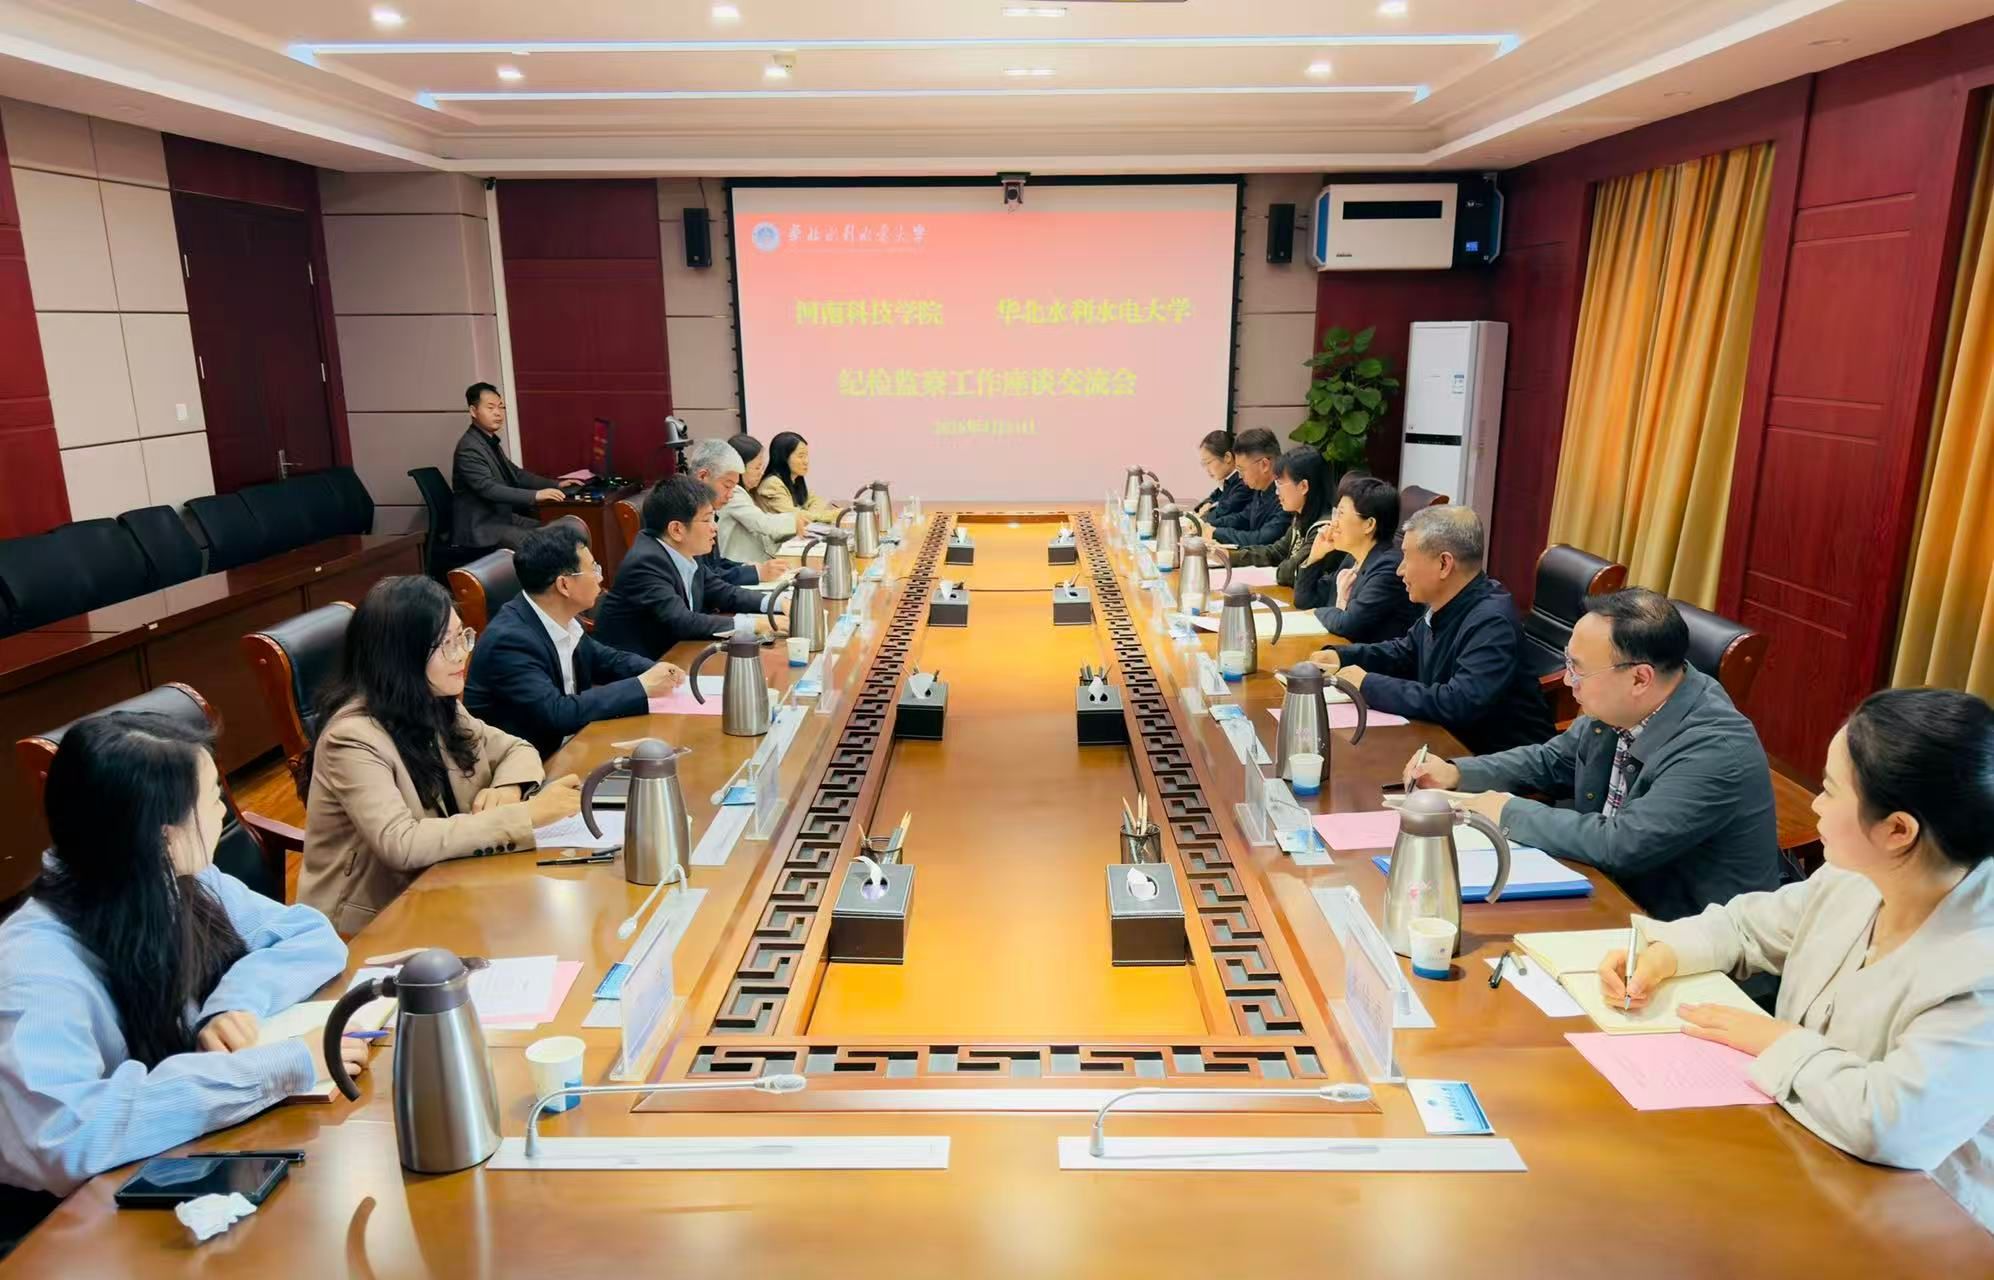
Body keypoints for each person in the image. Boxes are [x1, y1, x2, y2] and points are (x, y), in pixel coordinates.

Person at [1600, 688, 1994, 1232]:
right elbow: (1745, 927)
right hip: (1799, 1155)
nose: (1814, 805)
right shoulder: (1859, 875)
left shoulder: (1978, 966)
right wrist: (1664, 955)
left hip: (1918, 1224)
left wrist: (1778, 1041)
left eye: (1829, 790)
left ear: (1898, 831)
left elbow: (1894, 1124)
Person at [0, 713, 360, 1228]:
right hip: (70, 1228)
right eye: (213, 796)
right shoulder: (36, 968)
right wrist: (276, 1066)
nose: (224, 810)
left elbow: (309, 935)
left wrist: (232, 1005)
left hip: (179, 1168)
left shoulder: (175, 879)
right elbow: (65, 1136)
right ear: (163, 837)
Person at [1409, 589, 1780, 920]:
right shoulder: (1621, 707)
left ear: (1640, 678)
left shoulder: (1713, 748)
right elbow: (1551, 760)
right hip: (1611, 895)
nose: (1567, 680)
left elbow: (1623, 843)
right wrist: (1457, 773)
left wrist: (1506, 811)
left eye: (1578, 669)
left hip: (1686, 934)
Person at [298, 576, 583, 936]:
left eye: (462, 636)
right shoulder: (351, 739)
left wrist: (508, 789)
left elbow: (516, 748)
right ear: (402, 656)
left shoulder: (435, 701)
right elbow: (401, 843)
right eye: (445, 644)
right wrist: (527, 814)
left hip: (443, 884)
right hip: (368, 923)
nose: (462, 653)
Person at [1311, 505, 1554, 755]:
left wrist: (1368, 684)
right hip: (1444, 743)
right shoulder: (1445, 602)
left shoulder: (1492, 621)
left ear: (1444, 564)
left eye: (1407, 557)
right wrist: (1342, 657)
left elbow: (1457, 702)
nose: (1399, 570)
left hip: (1495, 760)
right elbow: (1404, 652)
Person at [463, 523, 688, 760]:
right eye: (593, 569)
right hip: (533, 763)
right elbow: (556, 713)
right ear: (564, 585)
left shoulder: (557, 616)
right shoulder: (510, 641)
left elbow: (606, 660)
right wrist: (641, 686)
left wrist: (656, 670)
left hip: (572, 745)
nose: (601, 578)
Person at [593, 476, 787, 660]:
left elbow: (722, 592)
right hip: (641, 668)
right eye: (707, 520)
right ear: (676, 529)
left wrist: (777, 603)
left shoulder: (684, 550)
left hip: (678, 654)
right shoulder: (646, 562)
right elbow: (683, 622)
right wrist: (754, 624)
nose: (714, 528)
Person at [450, 382, 567, 551]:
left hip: (501, 518)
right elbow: (489, 489)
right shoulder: (469, 448)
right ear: (473, 411)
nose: (498, 413)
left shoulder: (488, 441)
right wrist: (536, 496)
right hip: (482, 528)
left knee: (558, 531)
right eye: (490, 407)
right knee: (545, 543)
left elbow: (517, 474)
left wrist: (557, 484)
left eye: (501, 407)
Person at [1308, 475, 1423, 642]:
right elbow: (1307, 599)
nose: (1334, 523)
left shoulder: (1389, 567)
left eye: (1341, 514)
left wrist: (1316, 612)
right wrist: (1314, 558)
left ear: (1369, 525)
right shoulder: (1353, 558)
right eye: (1335, 513)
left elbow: (1348, 624)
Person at [1224, 447, 1344, 606]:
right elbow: (1275, 552)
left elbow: (1289, 573)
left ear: (1303, 486)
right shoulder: (1300, 517)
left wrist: (1284, 565)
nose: (1276, 492)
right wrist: (1228, 556)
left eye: (1279, 483)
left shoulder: (1325, 529)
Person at [683, 438, 790, 585]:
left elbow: (716, 564)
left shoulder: (708, 510)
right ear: (703, 476)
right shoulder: (686, 515)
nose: (730, 495)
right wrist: (756, 573)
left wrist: (753, 568)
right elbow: (708, 578)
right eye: (727, 486)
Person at [719, 433, 807, 563]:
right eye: (756, 467)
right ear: (738, 469)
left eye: (762, 467)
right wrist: (793, 520)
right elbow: (762, 523)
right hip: (739, 566)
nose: (761, 473)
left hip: (756, 562)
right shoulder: (733, 494)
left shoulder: (746, 492)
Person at [1204, 428, 1287, 548]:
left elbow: (1262, 539)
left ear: (1264, 465)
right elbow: (1243, 517)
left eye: (1241, 470)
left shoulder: (1286, 495)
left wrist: (1215, 533)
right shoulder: (1260, 490)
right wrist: (1208, 525)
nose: (1240, 476)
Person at [753, 432, 840, 525]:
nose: (806, 461)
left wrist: (810, 515)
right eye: (801, 456)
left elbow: (817, 501)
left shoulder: (794, 480)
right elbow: (795, 516)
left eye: (806, 456)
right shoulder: (772, 484)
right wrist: (829, 515)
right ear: (784, 458)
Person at [1193, 430, 1249, 525]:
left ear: (1227, 457)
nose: (1207, 469)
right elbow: (1211, 498)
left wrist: (1203, 515)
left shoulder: (1244, 483)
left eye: (1208, 462)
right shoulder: (1226, 482)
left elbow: (1223, 511)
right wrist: (1208, 504)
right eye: (1204, 464)